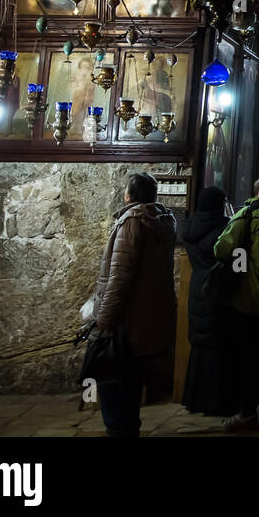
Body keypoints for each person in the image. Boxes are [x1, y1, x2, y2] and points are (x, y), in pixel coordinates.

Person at [87, 172, 177, 437]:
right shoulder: (163, 221)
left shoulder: (132, 222)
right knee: (131, 385)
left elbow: (119, 279)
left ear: (128, 195)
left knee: (114, 388)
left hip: (126, 323)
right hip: (145, 320)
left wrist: (103, 320)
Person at [214, 174, 259, 431]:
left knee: (246, 355)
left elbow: (222, 249)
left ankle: (246, 411)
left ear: (258, 193)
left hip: (247, 295)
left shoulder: (247, 215)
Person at [177, 186, 238, 416]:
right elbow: (236, 261)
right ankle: (218, 402)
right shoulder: (224, 229)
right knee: (219, 349)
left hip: (198, 290)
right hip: (219, 292)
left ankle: (195, 399)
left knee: (201, 346)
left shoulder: (190, 227)